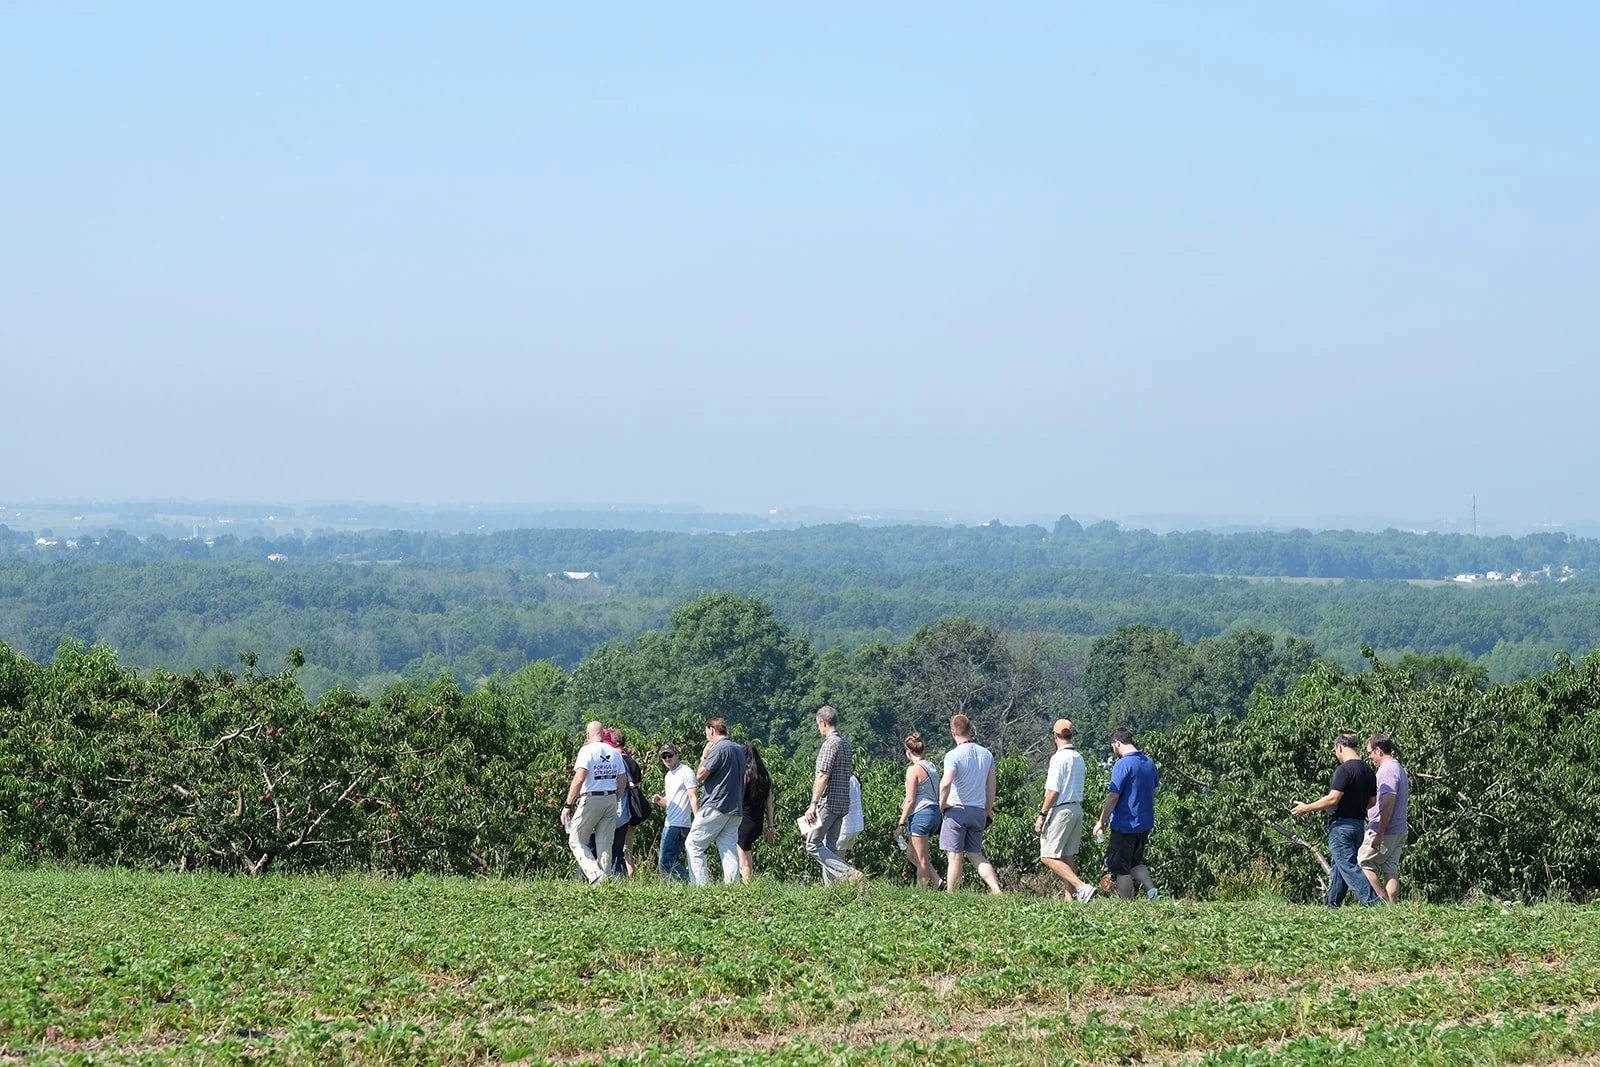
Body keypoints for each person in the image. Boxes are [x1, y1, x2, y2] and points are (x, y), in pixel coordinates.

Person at [1291, 731, 1381, 908]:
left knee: (1348, 866)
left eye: (1335, 750)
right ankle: (1332, 906)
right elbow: (1372, 802)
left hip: (1341, 827)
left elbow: (1333, 798)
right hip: (1358, 826)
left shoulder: (1344, 770)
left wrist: (1306, 807)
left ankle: (1374, 903)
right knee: (1339, 868)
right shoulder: (1368, 771)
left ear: (1339, 747)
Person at [1092, 728, 1160, 900]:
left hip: (1125, 825)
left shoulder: (1123, 764)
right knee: (1135, 863)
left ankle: (1127, 905)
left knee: (1121, 869)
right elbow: (1153, 792)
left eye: (1112, 746)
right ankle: (1152, 891)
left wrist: (1101, 821)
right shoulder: (1149, 763)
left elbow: (1113, 795)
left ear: (1117, 743)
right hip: (1144, 823)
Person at [939, 714, 1002, 895]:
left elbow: (945, 783)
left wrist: (942, 804)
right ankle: (996, 889)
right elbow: (991, 785)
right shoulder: (986, 754)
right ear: (970, 729)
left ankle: (951, 893)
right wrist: (988, 809)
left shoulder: (953, 756)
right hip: (978, 811)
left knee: (955, 855)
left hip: (957, 810)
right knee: (976, 854)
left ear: (953, 732)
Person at [801, 705, 862, 884]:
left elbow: (823, 775)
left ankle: (850, 873)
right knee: (831, 846)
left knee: (812, 844)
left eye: (818, 725)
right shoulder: (845, 744)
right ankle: (831, 889)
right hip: (843, 803)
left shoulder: (830, 744)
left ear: (823, 722)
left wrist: (813, 804)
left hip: (828, 802)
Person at [1036, 718, 1094, 902]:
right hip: (1077, 808)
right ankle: (1070, 901)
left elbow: (1053, 791)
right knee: (1068, 857)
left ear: (1055, 736)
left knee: (1047, 855)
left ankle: (1082, 887)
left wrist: (1042, 815)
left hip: (1061, 810)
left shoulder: (1058, 758)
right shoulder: (1078, 757)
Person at [560, 721, 624, 885]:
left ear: (588, 735)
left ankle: (596, 876)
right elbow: (622, 780)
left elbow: (579, 778)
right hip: (610, 798)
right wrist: (615, 797)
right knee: (604, 843)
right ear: (603, 734)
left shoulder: (587, 751)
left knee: (575, 839)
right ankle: (604, 884)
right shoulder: (614, 752)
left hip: (591, 797)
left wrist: (568, 805)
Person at [687, 718, 746, 886]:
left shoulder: (719, 749)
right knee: (728, 850)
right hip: (735, 808)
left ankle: (700, 887)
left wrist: (704, 757)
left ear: (712, 730)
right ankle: (732, 887)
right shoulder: (738, 749)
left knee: (693, 844)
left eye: (706, 731)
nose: (706, 735)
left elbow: (699, 775)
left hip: (716, 805)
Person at [1360, 733, 1410, 903]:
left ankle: (1381, 902)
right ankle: (1392, 907)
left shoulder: (1387, 770)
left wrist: (1380, 832)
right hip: (1400, 829)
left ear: (1378, 750)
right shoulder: (1399, 768)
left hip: (1385, 830)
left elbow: (1388, 802)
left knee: (1362, 863)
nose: (1370, 758)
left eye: (1369, 753)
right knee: (1390, 868)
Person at [897, 733, 945, 889]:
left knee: (921, 858)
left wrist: (901, 824)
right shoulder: (932, 767)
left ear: (908, 752)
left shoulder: (913, 770)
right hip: (935, 813)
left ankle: (921, 892)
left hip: (920, 814)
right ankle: (937, 881)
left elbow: (910, 800)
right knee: (912, 854)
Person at [652, 743, 697, 882]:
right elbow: (671, 802)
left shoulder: (686, 772)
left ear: (677, 755)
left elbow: (693, 797)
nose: (667, 759)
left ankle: (688, 882)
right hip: (670, 822)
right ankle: (679, 885)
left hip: (679, 824)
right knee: (666, 860)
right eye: (664, 756)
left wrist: (698, 821)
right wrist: (660, 800)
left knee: (666, 860)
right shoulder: (668, 775)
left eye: (670, 755)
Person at [736, 740, 777, 884]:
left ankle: (746, 889)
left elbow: (737, 798)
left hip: (742, 822)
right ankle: (748, 887)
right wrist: (770, 826)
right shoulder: (764, 777)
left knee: (742, 862)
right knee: (746, 857)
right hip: (757, 823)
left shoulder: (743, 776)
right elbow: (769, 804)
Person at [606, 727, 642, 878]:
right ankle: (624, 881)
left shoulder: (614, 760)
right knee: (624, 852)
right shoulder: (632, 763)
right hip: (628, 813)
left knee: (611, 851)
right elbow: (638, 781)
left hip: (614, 811)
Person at [837, 773, 864, 858]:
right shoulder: (855, 779)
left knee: (835, 861)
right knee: (841, 856)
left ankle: (847, 871)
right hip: (855, 825)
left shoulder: (839, 780)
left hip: (843, 827)